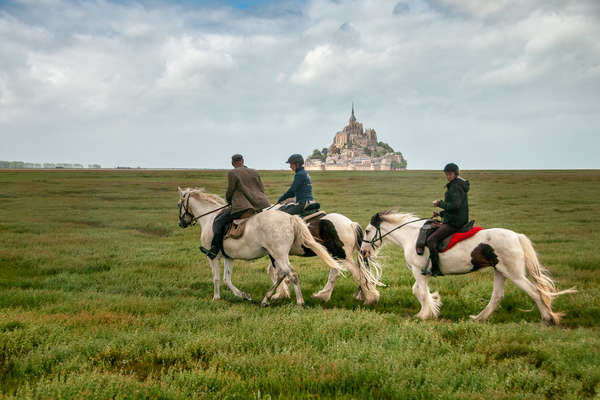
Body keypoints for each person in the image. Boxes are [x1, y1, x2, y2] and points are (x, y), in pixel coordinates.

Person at [200, 154, 270, 259]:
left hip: (242, 207)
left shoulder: (233, 173)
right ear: (243, 161)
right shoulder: (254, 172)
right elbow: (261, 189)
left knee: (218, 221)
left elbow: (231, 190)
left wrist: (229, 200)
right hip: (258, 206)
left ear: (233, 163)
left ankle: (214, 250)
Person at [424, 162, 470, 276]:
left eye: (450, 174)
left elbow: (455, 205)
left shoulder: (455, 187)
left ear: (455, 174)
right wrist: (441, 213)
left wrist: (439, 203)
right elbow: (454, 208)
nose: (448, 177)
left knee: (431, 240)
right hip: (457, 218)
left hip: (455, 222)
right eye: (447, 174)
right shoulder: (458, 185)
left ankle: (436, 269)